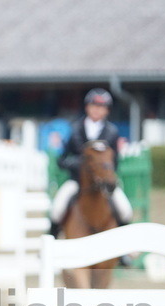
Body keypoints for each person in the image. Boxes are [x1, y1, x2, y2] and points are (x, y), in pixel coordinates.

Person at [48, 88, 133, 238]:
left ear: (107, 110)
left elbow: (115, 161)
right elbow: (62, 160)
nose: (97, 110)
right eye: (94, 106)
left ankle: (123, 248)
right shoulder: (75, 129)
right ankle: (54, 239)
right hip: (78, 181)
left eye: (101, 107)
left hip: (103, 182)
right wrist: (81, 165)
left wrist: (104, 173)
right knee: (57, 208)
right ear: (87, 107)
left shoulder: (111, 132)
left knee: (125, 209)